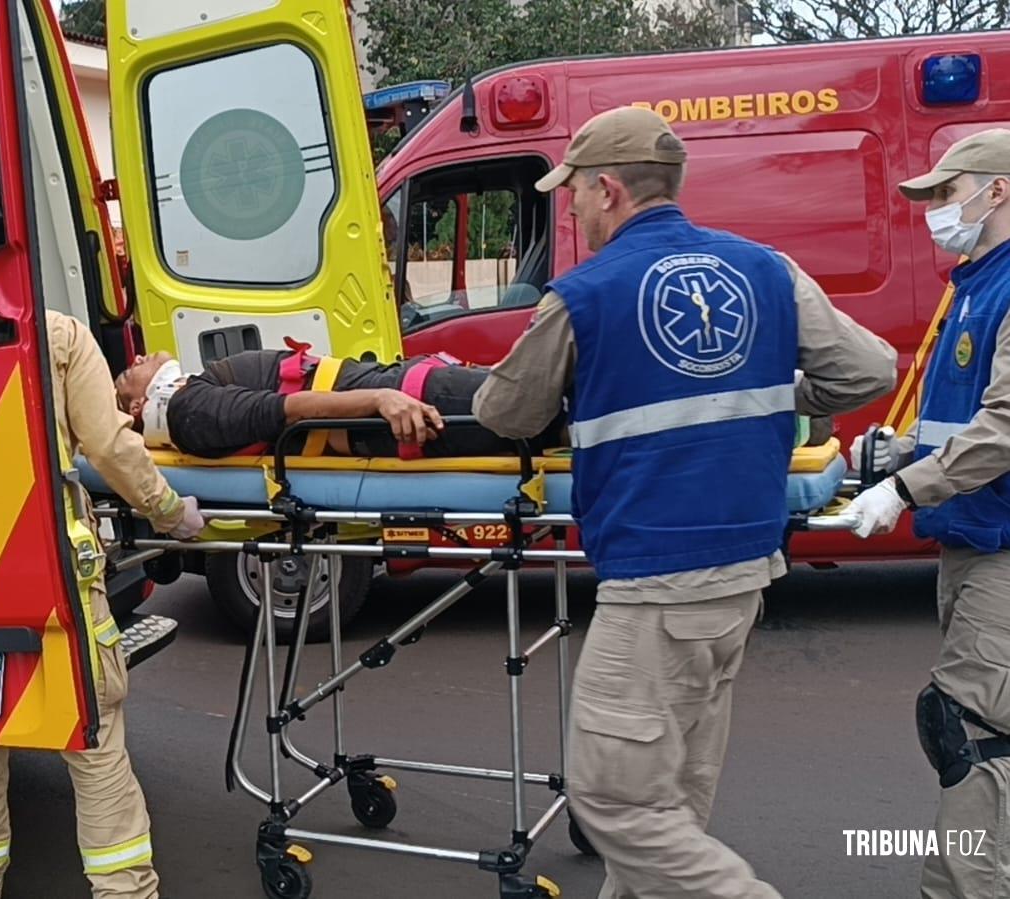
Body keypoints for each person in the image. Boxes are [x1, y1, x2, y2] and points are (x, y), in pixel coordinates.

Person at [471, 106, 896, 898]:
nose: (569, 209)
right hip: (741, 572)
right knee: (665, 809)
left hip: (655, 579)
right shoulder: (767, 268)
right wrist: (770, 391)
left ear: (607, 190)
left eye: (573, 194)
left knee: (611, 802)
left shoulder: (584, 293)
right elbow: (867, 371)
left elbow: (505, 413)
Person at [0, 310, 206, 899]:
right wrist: (169, 511)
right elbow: (108, 444)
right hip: (42, 570)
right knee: (92, 732)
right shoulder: (56, 333)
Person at [845, 129, 1010, 899]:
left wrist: (903, 490)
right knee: (971, 727)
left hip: (1002, 549)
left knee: (970, 732)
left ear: (996, 192)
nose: (934, 210)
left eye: (946, 193)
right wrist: (897, 451)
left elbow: (1005, 428)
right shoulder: (975, 282)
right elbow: (963, 422)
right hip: (971, 541)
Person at [111, 347, 566, 459]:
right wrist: (385, 397)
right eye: (129, 373)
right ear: (138, 408)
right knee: (551, 403)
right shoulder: (189, 412)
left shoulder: (195, 398)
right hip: (413, 402)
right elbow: (286, 411)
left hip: (410, 391)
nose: (135, 358)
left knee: (554, 399)